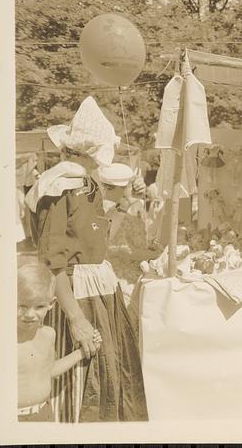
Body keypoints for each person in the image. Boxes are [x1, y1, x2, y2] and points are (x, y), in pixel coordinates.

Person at [26, 96, 148, 422]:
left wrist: (126, 199)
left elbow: (93, 236)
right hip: (77, 301)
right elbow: (54, 263)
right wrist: (77, 320)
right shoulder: (60, 188)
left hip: (99, 297)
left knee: (109, 381)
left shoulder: (87, 186)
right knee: (82, 389)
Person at [17, 262, 102, 422]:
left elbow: (50, 370)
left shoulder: (48, 335)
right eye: (22, 305)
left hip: (43, 413)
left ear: (51, 304)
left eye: (39, 306)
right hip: (14, 417)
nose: (29, 314)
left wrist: (82, 353)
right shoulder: (5, 339)